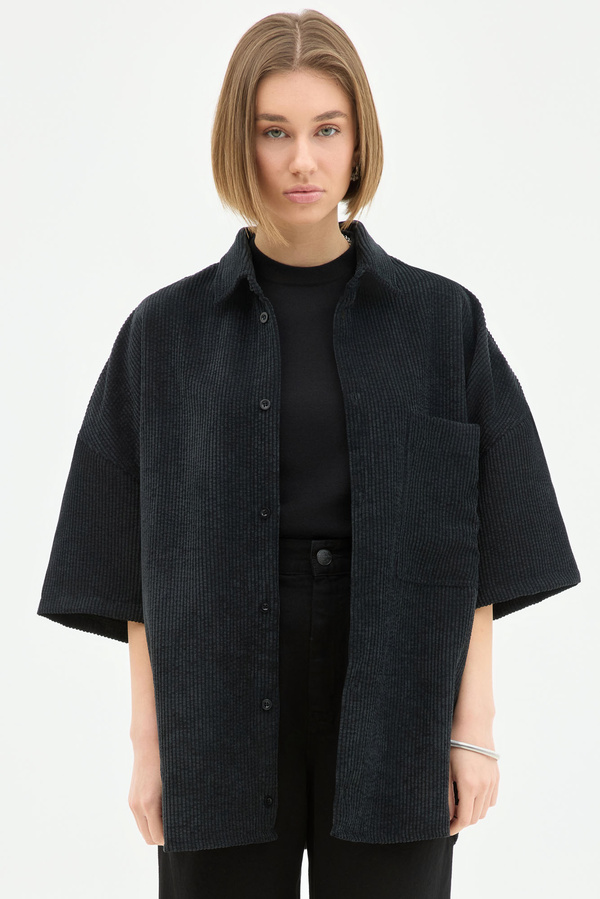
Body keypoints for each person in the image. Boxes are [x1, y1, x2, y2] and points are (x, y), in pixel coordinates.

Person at [37, 9, 581, 899]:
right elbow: (132, 560)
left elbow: (482, 541)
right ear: (239, 142)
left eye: (327, 130)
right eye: (274, 132)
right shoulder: (164, 334)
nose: (302, 161)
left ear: (359, 140)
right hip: (214, 694)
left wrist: (472, 726)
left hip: (398, 684)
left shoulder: (442, 324)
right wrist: (149, 743)